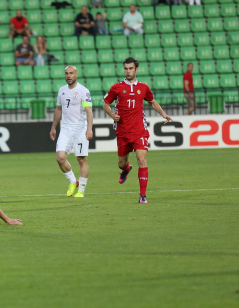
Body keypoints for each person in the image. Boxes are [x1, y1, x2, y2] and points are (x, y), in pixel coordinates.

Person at [102, 57, 173, 204]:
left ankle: (143, 195)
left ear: (136, 70)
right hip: (122, 131)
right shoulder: (117, 87)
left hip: (139, 130)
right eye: (126, 69)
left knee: (142, 159)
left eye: (131, 68)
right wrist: (112, 114)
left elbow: (152, 102)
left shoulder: (144, 87)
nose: (128, 71)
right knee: (121, 163)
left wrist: (164, 114)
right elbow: (105, 104)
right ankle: (126, 169)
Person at [49, 65, 94, 198]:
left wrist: (89, 129)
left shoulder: (83, 91)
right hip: (66, 128)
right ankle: (73, 181)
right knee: (60, 157)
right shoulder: (62, 90)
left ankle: (81, 190)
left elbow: (88, 111)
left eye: (71, 73)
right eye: (66, 73)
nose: (68, 76)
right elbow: (58, 109)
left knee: (81, 160)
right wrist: (53, 127)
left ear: (76, 74)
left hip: (80, 129)